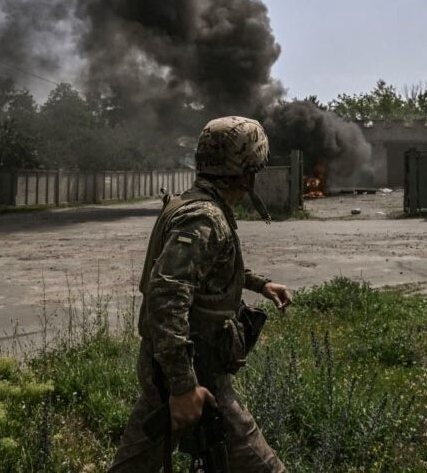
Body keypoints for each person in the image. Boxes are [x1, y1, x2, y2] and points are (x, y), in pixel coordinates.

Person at [109, 116, 292, 472]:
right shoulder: (205, 218)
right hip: (193, 368)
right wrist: (182, 387)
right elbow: (166, 293)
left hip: (173, 364)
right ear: (248, 169)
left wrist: (259, 284)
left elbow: (203, 272)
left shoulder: (192, 204)